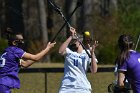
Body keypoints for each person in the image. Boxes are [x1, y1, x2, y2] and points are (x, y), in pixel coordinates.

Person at [0, 28, 56, 93]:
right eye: (20, 40)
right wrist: (48, 48)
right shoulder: (15, 51)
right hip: (4, 84)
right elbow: (36, 58)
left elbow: (25, 64)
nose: (22, 42)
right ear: (14, 42)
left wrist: (42, 52)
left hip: (3, 84)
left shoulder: (7, 52)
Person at [58, 27, 98, 93]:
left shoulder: (87, 53)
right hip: (66, 87)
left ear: (80, 42)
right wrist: (71, 36)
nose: (72, 42)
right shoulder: (69, 52)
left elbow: (94, 70)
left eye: (74, 41)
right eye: (72, 41)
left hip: (82, 87)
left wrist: (92, 53)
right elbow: (60, 51)